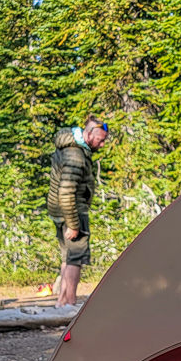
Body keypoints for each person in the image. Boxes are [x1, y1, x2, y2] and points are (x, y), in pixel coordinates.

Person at [45, 116, 108, 307]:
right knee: (76, 259)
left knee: (67, 257)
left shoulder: (70, 148)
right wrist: (73, 224)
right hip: (72, 212)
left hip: (59, 211)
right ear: (88, 134)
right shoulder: (76, 156)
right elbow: (66, 192)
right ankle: (70, 304)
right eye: (100, 139)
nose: (103, 144)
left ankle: (62, 302)